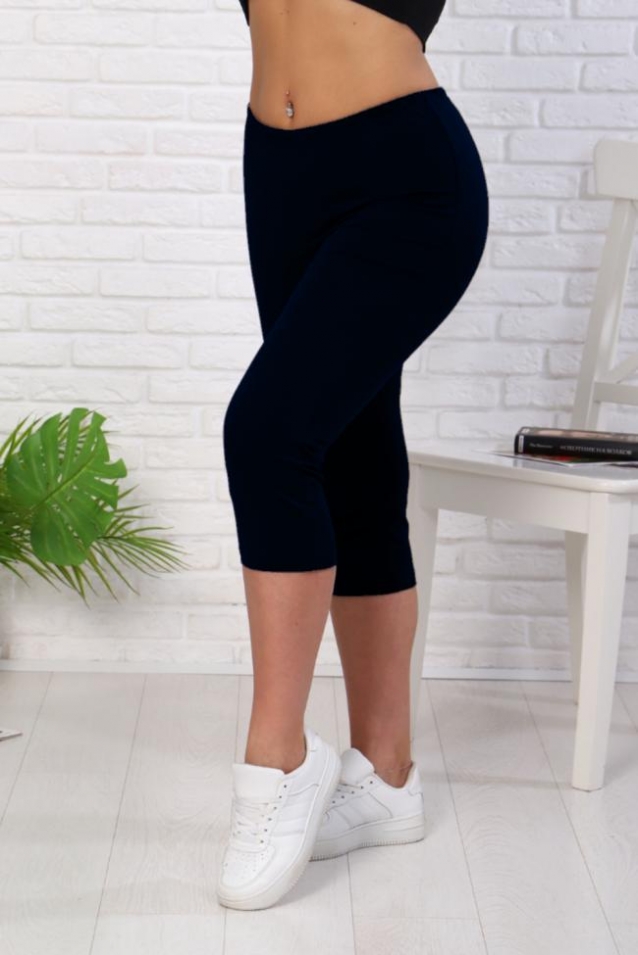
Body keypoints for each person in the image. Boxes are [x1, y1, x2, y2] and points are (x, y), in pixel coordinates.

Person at [217, 0, 489, 910]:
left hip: (406, 175)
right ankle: (387, 774)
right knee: (350, 454)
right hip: (279, 167)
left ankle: (278, 759)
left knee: (267, 434)